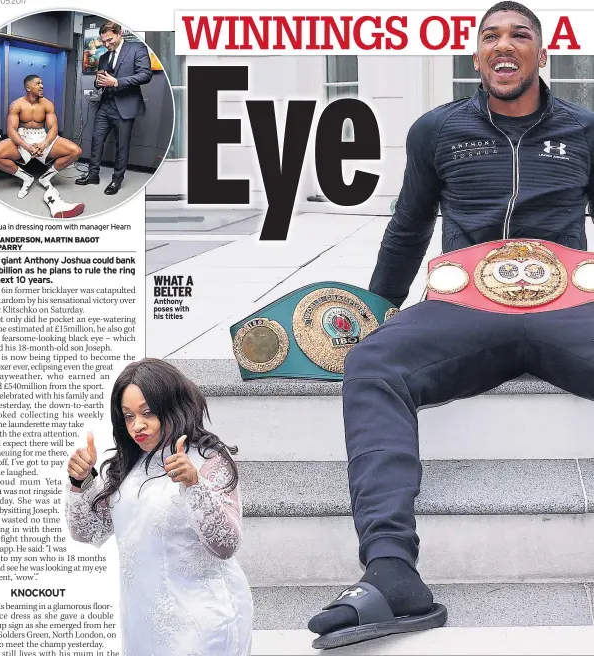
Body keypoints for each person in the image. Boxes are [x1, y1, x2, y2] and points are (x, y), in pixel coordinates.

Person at [308, 1, 594, 649]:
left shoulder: (584, 129)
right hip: (464, 308)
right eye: (490, 35)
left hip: (567, 308)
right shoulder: (436, 131)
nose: (504, 45)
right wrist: (374, 311)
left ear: (540, 54)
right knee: (372, 363)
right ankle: (390, 572)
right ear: (474, 55)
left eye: (519, 35)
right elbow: (407, 227)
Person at [64, 358, 253, 656]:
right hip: (142, 621)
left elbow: (227, 544)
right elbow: (89, 531)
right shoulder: (130, 466)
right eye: (128, 416)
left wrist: (194, 485)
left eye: (147, 413)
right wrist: (82, 481)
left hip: (202, 622)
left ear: (172, 406)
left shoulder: (207, 460)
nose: (137, 425)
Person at [0, 74, 85, 219]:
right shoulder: (17, 104)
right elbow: (11, 130)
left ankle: (46, 178)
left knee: (75, 151)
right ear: (28, 87)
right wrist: (26, 146)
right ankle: (26, 178)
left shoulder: (47, 104)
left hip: (42, 137)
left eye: (42, 83)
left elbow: (53, 128)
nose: (42, 86)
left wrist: (44, 144)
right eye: (38, 84)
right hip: (22, 137)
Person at [75, 22, 153, 195]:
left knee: (122, 146)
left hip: (125, 106)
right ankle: (93, 175)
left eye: (110, 40)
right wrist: (98, 82)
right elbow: (100, 81)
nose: (106, 45)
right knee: (96, 141)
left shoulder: (137, 48)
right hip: (105, 105)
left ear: (119, 34)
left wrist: (117, 82)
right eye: (103, 41)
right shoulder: (103, 57)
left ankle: (116, 180)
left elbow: (146, 74)